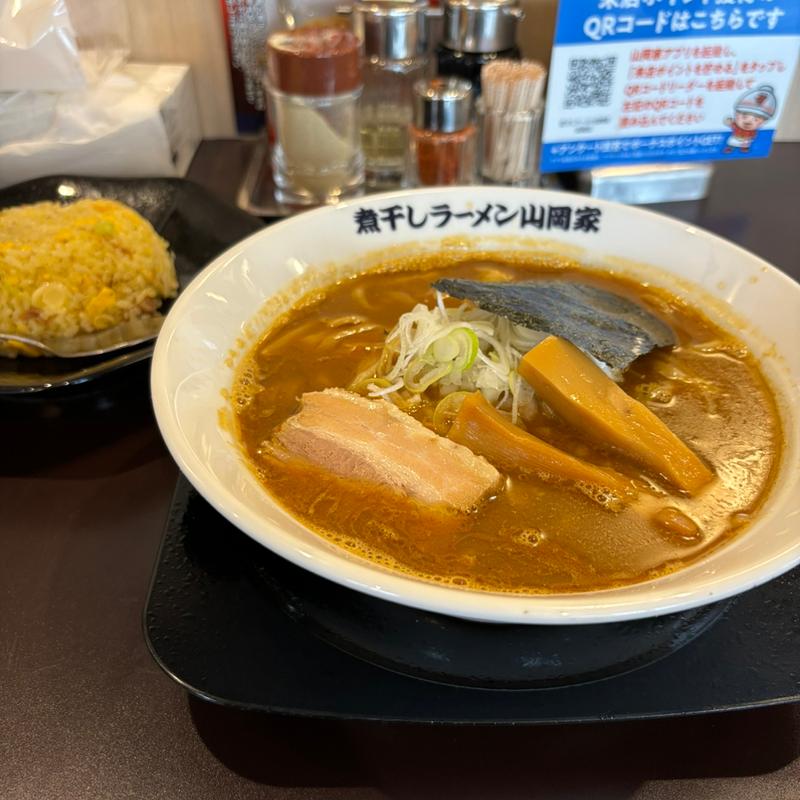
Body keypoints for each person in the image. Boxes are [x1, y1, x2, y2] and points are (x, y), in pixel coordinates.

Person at [723, 85, 777, 154]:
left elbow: (753, 134)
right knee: (732, 142)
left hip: (746, 139)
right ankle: (729, 148)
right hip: (736, 137)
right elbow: (730, 123)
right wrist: (729, 122)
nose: (748, 122)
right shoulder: (736, 125)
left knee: (745, 144)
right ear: (736, 114)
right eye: (744, 117)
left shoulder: (753, 130)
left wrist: (751, 136)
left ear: (763, 122)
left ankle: (744, 149)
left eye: (756, 120)